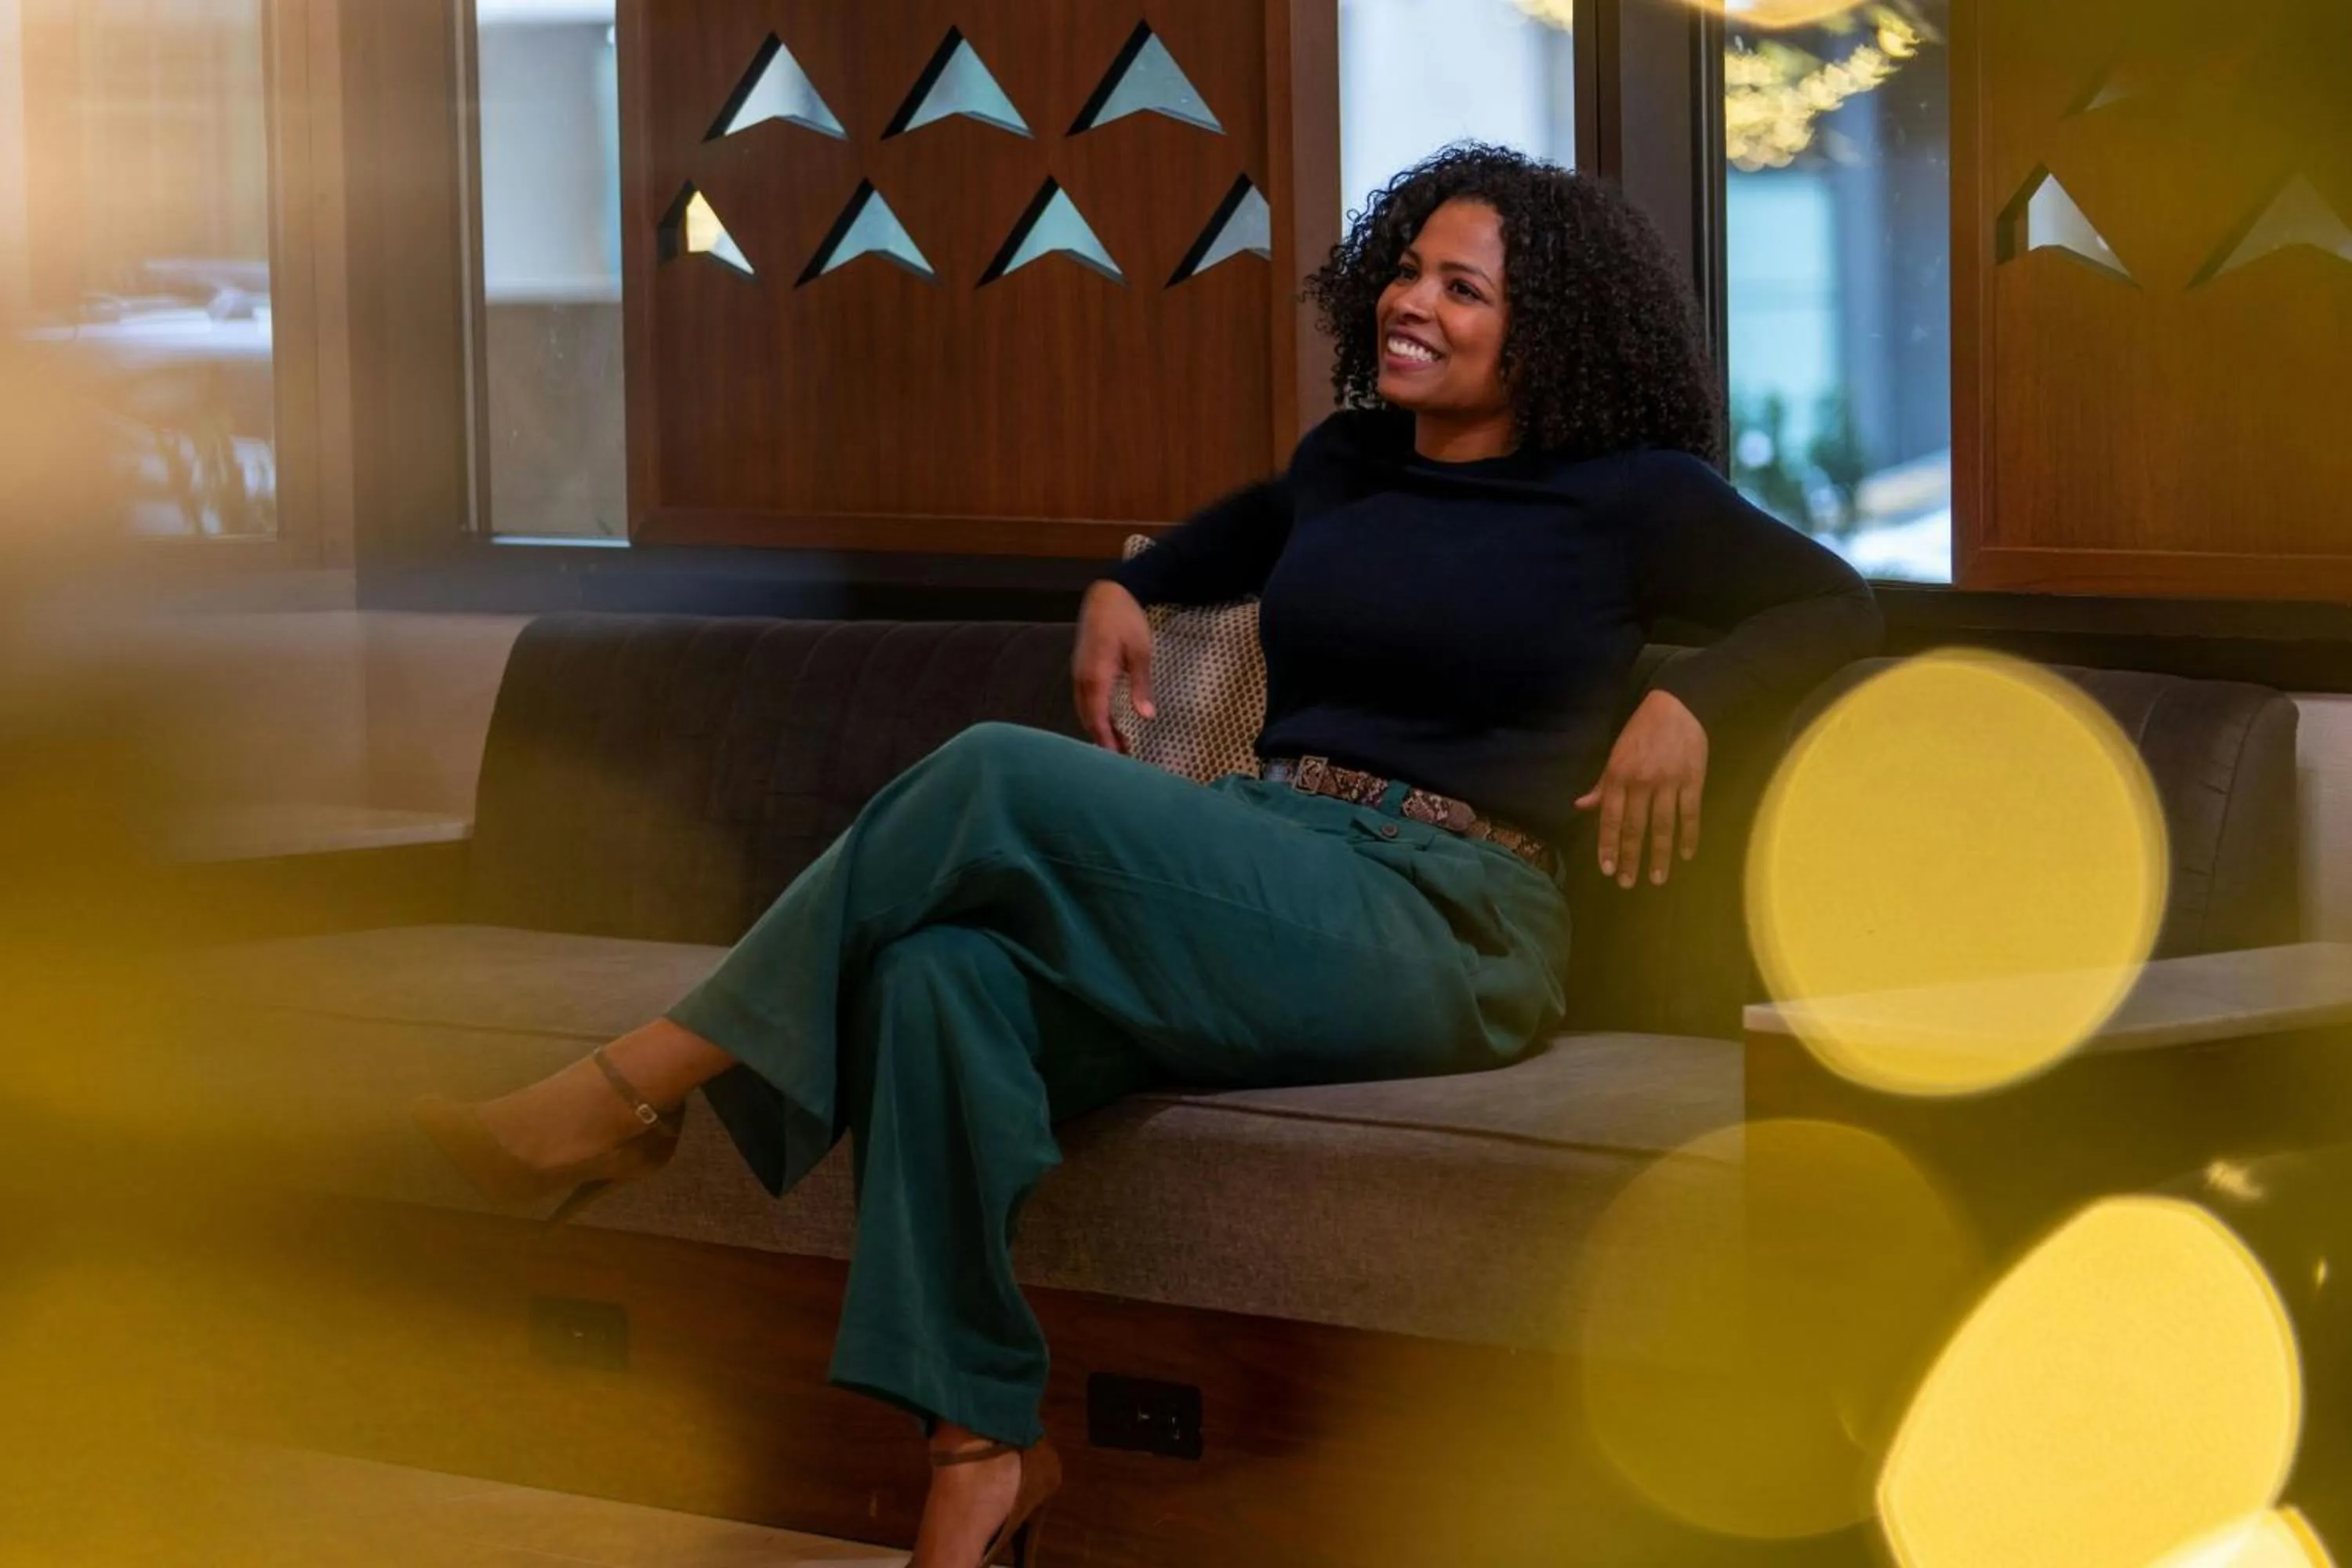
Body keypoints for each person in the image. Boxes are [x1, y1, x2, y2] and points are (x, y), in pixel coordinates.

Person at [414, 143, 1882, 1567]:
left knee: (992, 775)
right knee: (942, 978)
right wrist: (1125, 586)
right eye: (1408, 272)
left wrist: (1690, 698)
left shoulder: (1632, 496)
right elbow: (1218, 545)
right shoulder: (1349, 463)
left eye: (1466, 288)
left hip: (1448, 911)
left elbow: (1835, 607)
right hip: (1270, 850)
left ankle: (632, 1090)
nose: (1412, 304)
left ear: (1549, 333)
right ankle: (978, 1461)